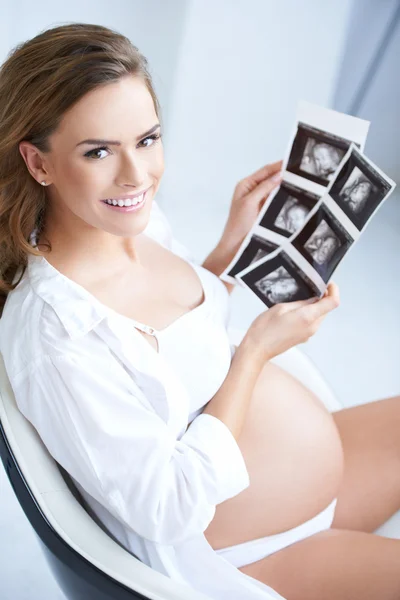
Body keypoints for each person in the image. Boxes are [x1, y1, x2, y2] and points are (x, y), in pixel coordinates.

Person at [0, 23, 400, 600]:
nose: (136, 175)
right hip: (262, 552)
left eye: (147, 139)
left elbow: (171, 346)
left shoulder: (133, 224)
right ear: (38, 163)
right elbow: (168, 505)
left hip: (320, 481)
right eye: (98, 152)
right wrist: (257, 352)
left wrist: (230, 248)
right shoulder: (55, 338)